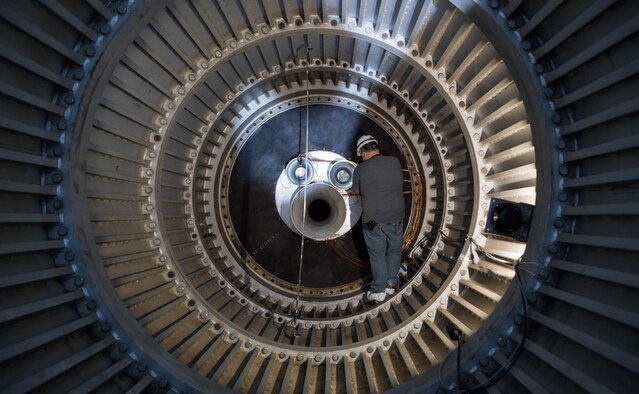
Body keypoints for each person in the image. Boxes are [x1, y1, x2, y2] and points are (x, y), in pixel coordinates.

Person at [351, 134, 405, 302]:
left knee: (377, 254)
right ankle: (391, 283)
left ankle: (378, 289)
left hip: (373, 220)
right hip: (396, 216)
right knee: (395, 250)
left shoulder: (360, 169)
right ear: (376, 147)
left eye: (361, 154)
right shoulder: (394, 161)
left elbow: (355, 191)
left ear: (363, 152)